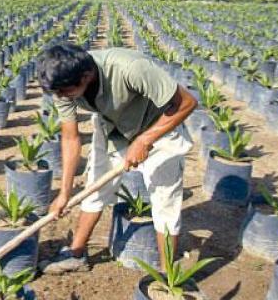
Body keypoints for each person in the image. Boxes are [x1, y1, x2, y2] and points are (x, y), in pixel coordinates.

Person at [36, 42, 197, 274]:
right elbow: (71, 139)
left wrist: (144, 140)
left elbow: (187, 102)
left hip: (161, 126)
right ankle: (76, 254)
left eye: (65, 92)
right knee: (93, 189)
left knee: (165, 203)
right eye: (56, 93)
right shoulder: (62, 84)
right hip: (113, 127)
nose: (60, 97)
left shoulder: (130, 67)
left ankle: (167, 277)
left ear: (87, 76)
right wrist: (64, 193)